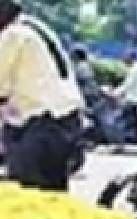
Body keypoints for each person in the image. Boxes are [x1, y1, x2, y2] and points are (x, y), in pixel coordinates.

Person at [0, 0, 84, 191]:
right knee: (53, 195)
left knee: (27, 194)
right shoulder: (36, 28)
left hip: (42, 124)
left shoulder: (13, 35)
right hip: (66, 121)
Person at [113, 49, 137, 143]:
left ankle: (122, 141)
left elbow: (127, 85)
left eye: (125, 57)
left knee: (121, 120)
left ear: (131, 58)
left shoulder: (135, 69)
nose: (123, 59)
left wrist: (115, 93)